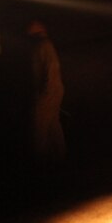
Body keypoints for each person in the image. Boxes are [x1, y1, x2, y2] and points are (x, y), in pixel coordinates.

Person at [25, 20, 66, 165]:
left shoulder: (44, 46)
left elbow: (51, 69)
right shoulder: (41, 46)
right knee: (53, 124)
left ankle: (40, 160)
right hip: (52, 90)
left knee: (39, 125)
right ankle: (59, 157)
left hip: (49, 91)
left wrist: (46, 92)